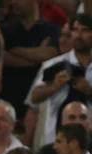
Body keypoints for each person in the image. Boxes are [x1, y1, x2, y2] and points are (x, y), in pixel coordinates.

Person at [27, 13, 92, 145]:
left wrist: (90, 91)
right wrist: (54, 86)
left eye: (85, 30)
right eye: (75, 30)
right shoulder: (53, 65)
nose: (78, 35)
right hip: (56, 141)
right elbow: (34, 98)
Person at [1, 0, 60, 119]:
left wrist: (15, 51)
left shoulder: (51, 29)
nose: (13, 2)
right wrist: (37, 55)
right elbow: (1, 58)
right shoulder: (4, 30)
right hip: (8, 99)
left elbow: (50, 55)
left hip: (39, 103)